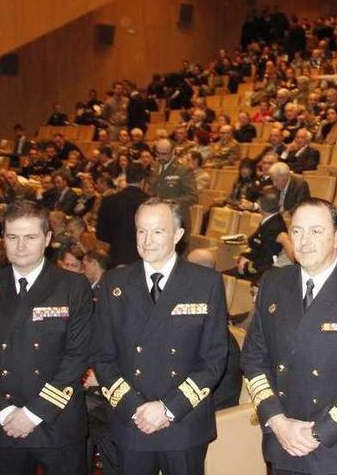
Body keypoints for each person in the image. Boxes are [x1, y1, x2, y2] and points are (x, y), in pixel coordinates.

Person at [239, 198, 337, 475]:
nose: (304, 241)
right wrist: (276, 419)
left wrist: (320, 432)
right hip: (283, 441)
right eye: (297, 231)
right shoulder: (273, 283)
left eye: (316, 231)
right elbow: (253, 359)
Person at [91, 198, 229, 475]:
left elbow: (213, 359)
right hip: (132, 420)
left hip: (183, 422)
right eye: (141, 231)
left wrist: (167, 409)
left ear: (177, 235)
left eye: (157, 231)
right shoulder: (114, 284)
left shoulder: (205, 283)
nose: (147, 240)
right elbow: (102, 357)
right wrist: (135, 408)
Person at [0, 200, 94, 474]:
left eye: (30, 237)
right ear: (4, 239)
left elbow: (77, 357)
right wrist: (2, 410)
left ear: (47, 239)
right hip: (5, 421)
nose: (20, 246)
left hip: (57, 422)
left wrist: (33, 414)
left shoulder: (72, 286)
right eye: (13, 237)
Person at [228, 187, 291, 282]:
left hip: (260, 275)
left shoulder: (274, 227)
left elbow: (268, 259)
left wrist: (245, 267)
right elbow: (254, 243)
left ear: (260, 205)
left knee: (221, 279)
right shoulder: (270, 220)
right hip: (254, 264)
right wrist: (245, 256)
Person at [96, 163, 150, 266]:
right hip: (143, 257)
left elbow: (101, 234)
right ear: (143, 181)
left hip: (116, 256)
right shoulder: (150, 202)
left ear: (126, 179)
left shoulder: (109, 201)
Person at [148, 139, 197, 222]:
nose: (160, 157)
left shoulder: (184, 170)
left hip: (176, 218)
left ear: (173, 151)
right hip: (156, 217)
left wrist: (170, 202)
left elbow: (193, 197)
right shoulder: (153, 167)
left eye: (164, 154)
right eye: (158, 153)